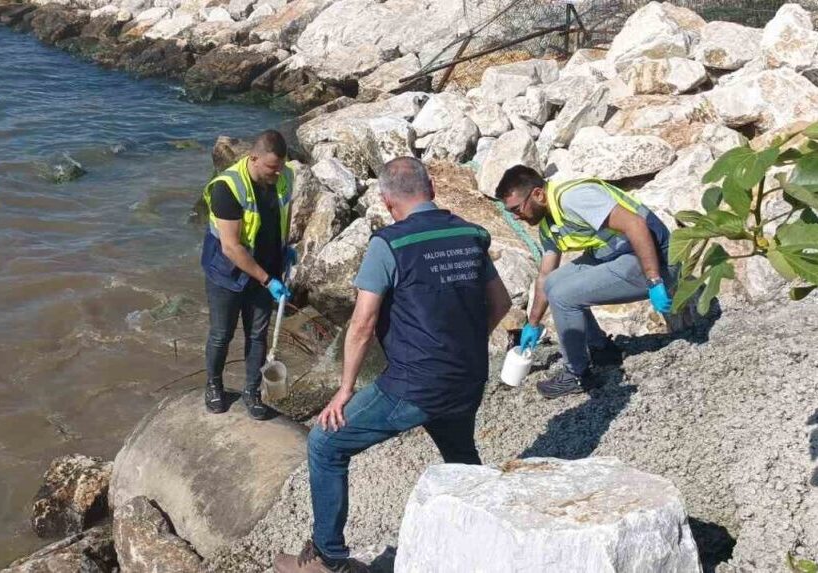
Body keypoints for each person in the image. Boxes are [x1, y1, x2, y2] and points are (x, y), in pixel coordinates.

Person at [273, 157, 512, 573]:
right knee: (459, 455)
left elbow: (362, 325)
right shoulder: (471, 234)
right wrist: (463, 346)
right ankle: (485, 535)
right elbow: (502, 304)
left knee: (326, 444)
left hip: (414, 383)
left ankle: (328, 558)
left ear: (386, 201)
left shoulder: (390, 244)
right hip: (469, 375)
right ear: (431, 189)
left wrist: (344, 391)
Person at [495, 165, 674, 399]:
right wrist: (533, 323)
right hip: (620, 255)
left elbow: (636, 225)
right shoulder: (550, 225)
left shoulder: (573, 199)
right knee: (554, 285)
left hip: (656, 258)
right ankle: (601, 349)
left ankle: (577, 374)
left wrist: (654, 279)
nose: (516, 216)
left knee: (564, 296)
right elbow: (546, 276)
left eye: (517, 209)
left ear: (538, 194)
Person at [201, 129, 297, 420]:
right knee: (221, 334)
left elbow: (285, 213)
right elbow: (231, 247)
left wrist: (287, 248)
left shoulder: (285, 176)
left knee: (257, 335)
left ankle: (252, 391)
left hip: (267, 266)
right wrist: (267, 281)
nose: (277, 173)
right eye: (271, 167)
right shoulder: (227, 188)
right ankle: (214, 385)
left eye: (280, 166)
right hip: (228, 273)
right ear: (253, 157)